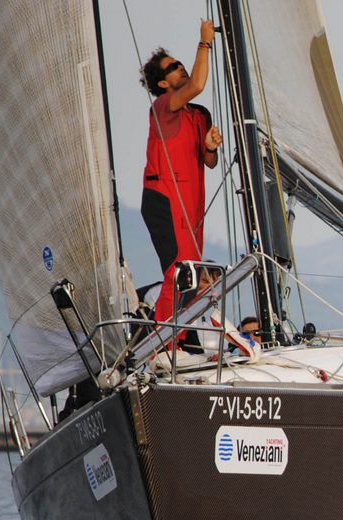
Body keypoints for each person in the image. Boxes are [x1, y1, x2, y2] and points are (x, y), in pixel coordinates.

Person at [140, 18, 224, 324]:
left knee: (192, 273)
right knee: (181, 270)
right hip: (164, 198)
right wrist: (205, 42)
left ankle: (181, 337)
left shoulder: (199, 115)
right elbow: (197, 85)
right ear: (163, 83)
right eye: (173, 67)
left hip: (191, 205)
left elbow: (210, 162)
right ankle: (164, 340)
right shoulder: (164, 105)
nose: (181, 67)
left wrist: (211, 147)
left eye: (179, 64)